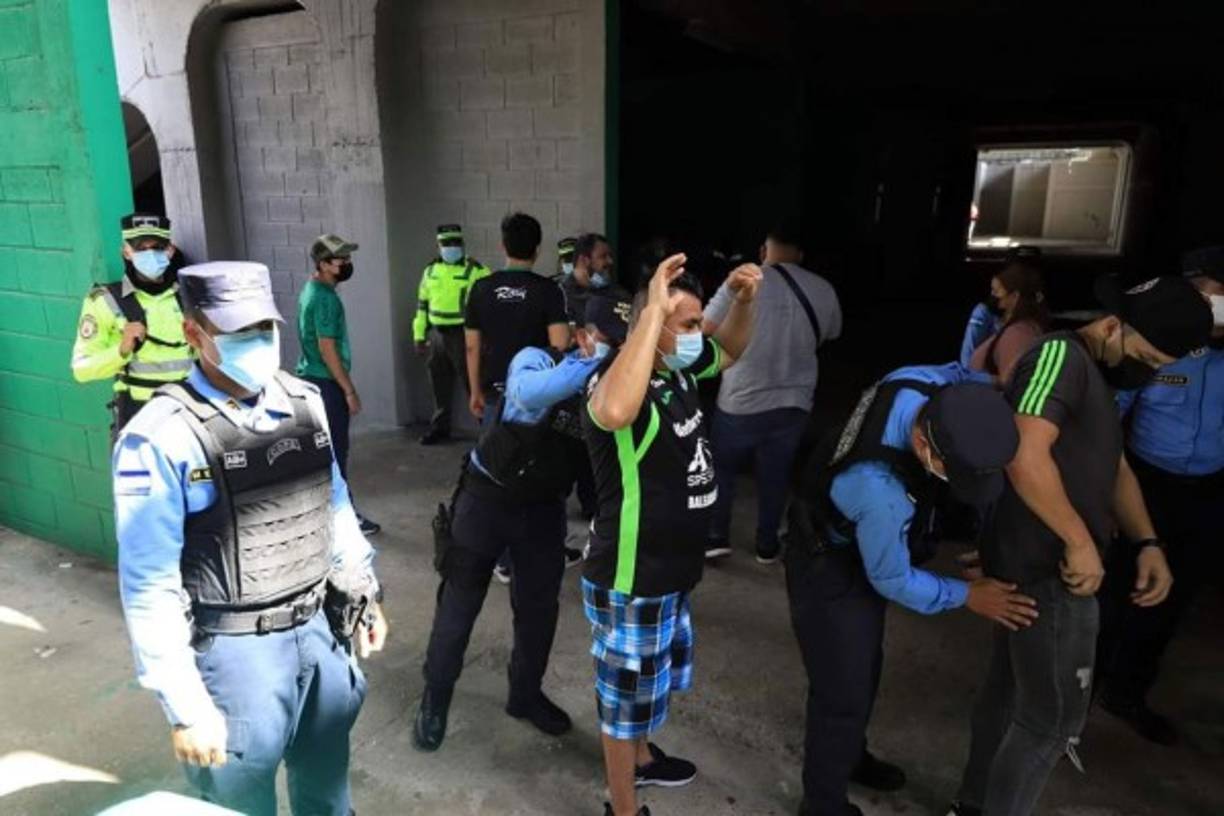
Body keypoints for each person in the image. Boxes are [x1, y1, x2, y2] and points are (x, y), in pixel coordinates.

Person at [113, 261, 389, 816]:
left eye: (264, 328)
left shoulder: (304, 402)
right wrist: (186, 706)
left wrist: (364, 590)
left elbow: (334, 502)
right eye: (238, 332)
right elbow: (149, 586)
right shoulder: (160, 437)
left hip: (320, 631)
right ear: (194, 333)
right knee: (242, 803)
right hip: (236, 656)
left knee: (327, 790)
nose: (258, 342)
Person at [949, 276, 1212, 816]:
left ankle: (972, 805)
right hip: (1047, 565)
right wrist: (1079, 542)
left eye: (1159, 365)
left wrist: (1147, 541)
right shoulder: (1060, 357)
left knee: (1008, 695)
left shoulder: (1099, 373)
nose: (1148, 371)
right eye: (1146, 356)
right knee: (1051, 723)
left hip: (1044, 558)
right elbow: (1024, 453)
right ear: (1113, 326)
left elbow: (1114, 465)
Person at [786, 365, 1033, 816]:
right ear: (923, 445)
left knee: (864, 668)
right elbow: (892, 578)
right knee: (841, 690)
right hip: (828, 565)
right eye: (955, 473)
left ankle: (848, 756)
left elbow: (971, 374)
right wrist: (969, 595)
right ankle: (822, 804)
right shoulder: (879, 489)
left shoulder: (920, 382)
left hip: (858, 540)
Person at [412, 293, 633, 753]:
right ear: (580, 337)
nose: (613, 351)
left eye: (621, 344)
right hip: (486, 501)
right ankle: (436, 695)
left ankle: (525, 695)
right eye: (605, 341)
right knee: (459, 603)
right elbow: (530, 394)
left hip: (542, 511)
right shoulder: (535, 360)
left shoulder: (613, 392)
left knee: (538, 612)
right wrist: (600, 365)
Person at [583, 254, 761, 816]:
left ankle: (641, 760)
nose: (697, 333)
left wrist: (742, 301)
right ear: (651, 326)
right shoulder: (615, 382)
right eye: (685, 324)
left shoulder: (676, 371)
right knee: (622, 706)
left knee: (644, 692)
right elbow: (614, 410)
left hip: (671, 574)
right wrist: (651, 315)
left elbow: (729, 351)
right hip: (632, 579)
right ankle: (623, 808)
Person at [1095, 248, 1224, 745]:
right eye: (1210, 296)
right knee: (1113, 592)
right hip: (1144, 481)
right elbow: (1110, 420)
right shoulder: (1157, 340)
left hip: (1208, 489)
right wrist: (1106, 500)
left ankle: (1127, 693)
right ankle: (1078, 694)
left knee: (1172, 598)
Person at [703, 224, 842, 563]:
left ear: (764, 251)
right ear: (800, 254)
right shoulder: (823, 288)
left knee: (721, 469)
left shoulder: (742, 282)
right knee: (776, 474)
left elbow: (704, 326)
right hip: (793, 401)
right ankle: (766, 544)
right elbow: (832, 332)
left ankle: (716, 536)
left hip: (740, 399)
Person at [71, 213, 193, 438]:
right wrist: (121, 350)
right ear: (126, 252)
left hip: (189, 410)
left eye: (157, 247)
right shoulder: (105, 300)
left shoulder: (187, 297)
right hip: (139, 415)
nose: (150, 254)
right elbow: (81, 369)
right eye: (140, 248)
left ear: (170, 251)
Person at [296, 234, 380, 536]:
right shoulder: (326, 299)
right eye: (340, 259)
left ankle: (328, 516)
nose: (346, 263)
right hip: (326, 384)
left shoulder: (311, 288)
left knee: (324, 453)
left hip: (311, 379)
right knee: (335, 454)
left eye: (347, 257)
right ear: (323, 264)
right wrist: (348, 390)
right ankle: (344, 519)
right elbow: (327, 348)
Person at [464, 212, 571, 421]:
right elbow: (559, 345)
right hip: (536, 392)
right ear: (537, 250)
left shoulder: (480, 288)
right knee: (534, 443)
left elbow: (471, 347)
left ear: (503, 246)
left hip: (494, 392)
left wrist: (475, 391)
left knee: (495, 442)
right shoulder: (550, 290)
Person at [414, 224, 491, 445]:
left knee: (474, 384)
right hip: (437, 335)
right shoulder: (430, 271)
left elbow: (488, 307)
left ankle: (488, 431)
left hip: (464, 336)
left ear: (463, 244)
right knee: (439, 385)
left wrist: (485, 339)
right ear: (438, 246)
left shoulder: (477, 271)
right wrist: (419, 335)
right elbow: (422, 306)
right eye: (446, 244)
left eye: (455, 243)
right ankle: (440, 428)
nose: (451, 248)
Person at [966, 260, 1049, 384]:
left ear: (1015, 296)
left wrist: (977, 379)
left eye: (997, 291)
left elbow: (1010, 382)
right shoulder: (1018, 328)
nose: (993, 296)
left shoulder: (1018, 333)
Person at [561, 232, 625, 326]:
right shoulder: (562, 296)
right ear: (584, 260)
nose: (610, 261)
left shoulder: (617, 292)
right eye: (603, 256)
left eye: (610, 256)